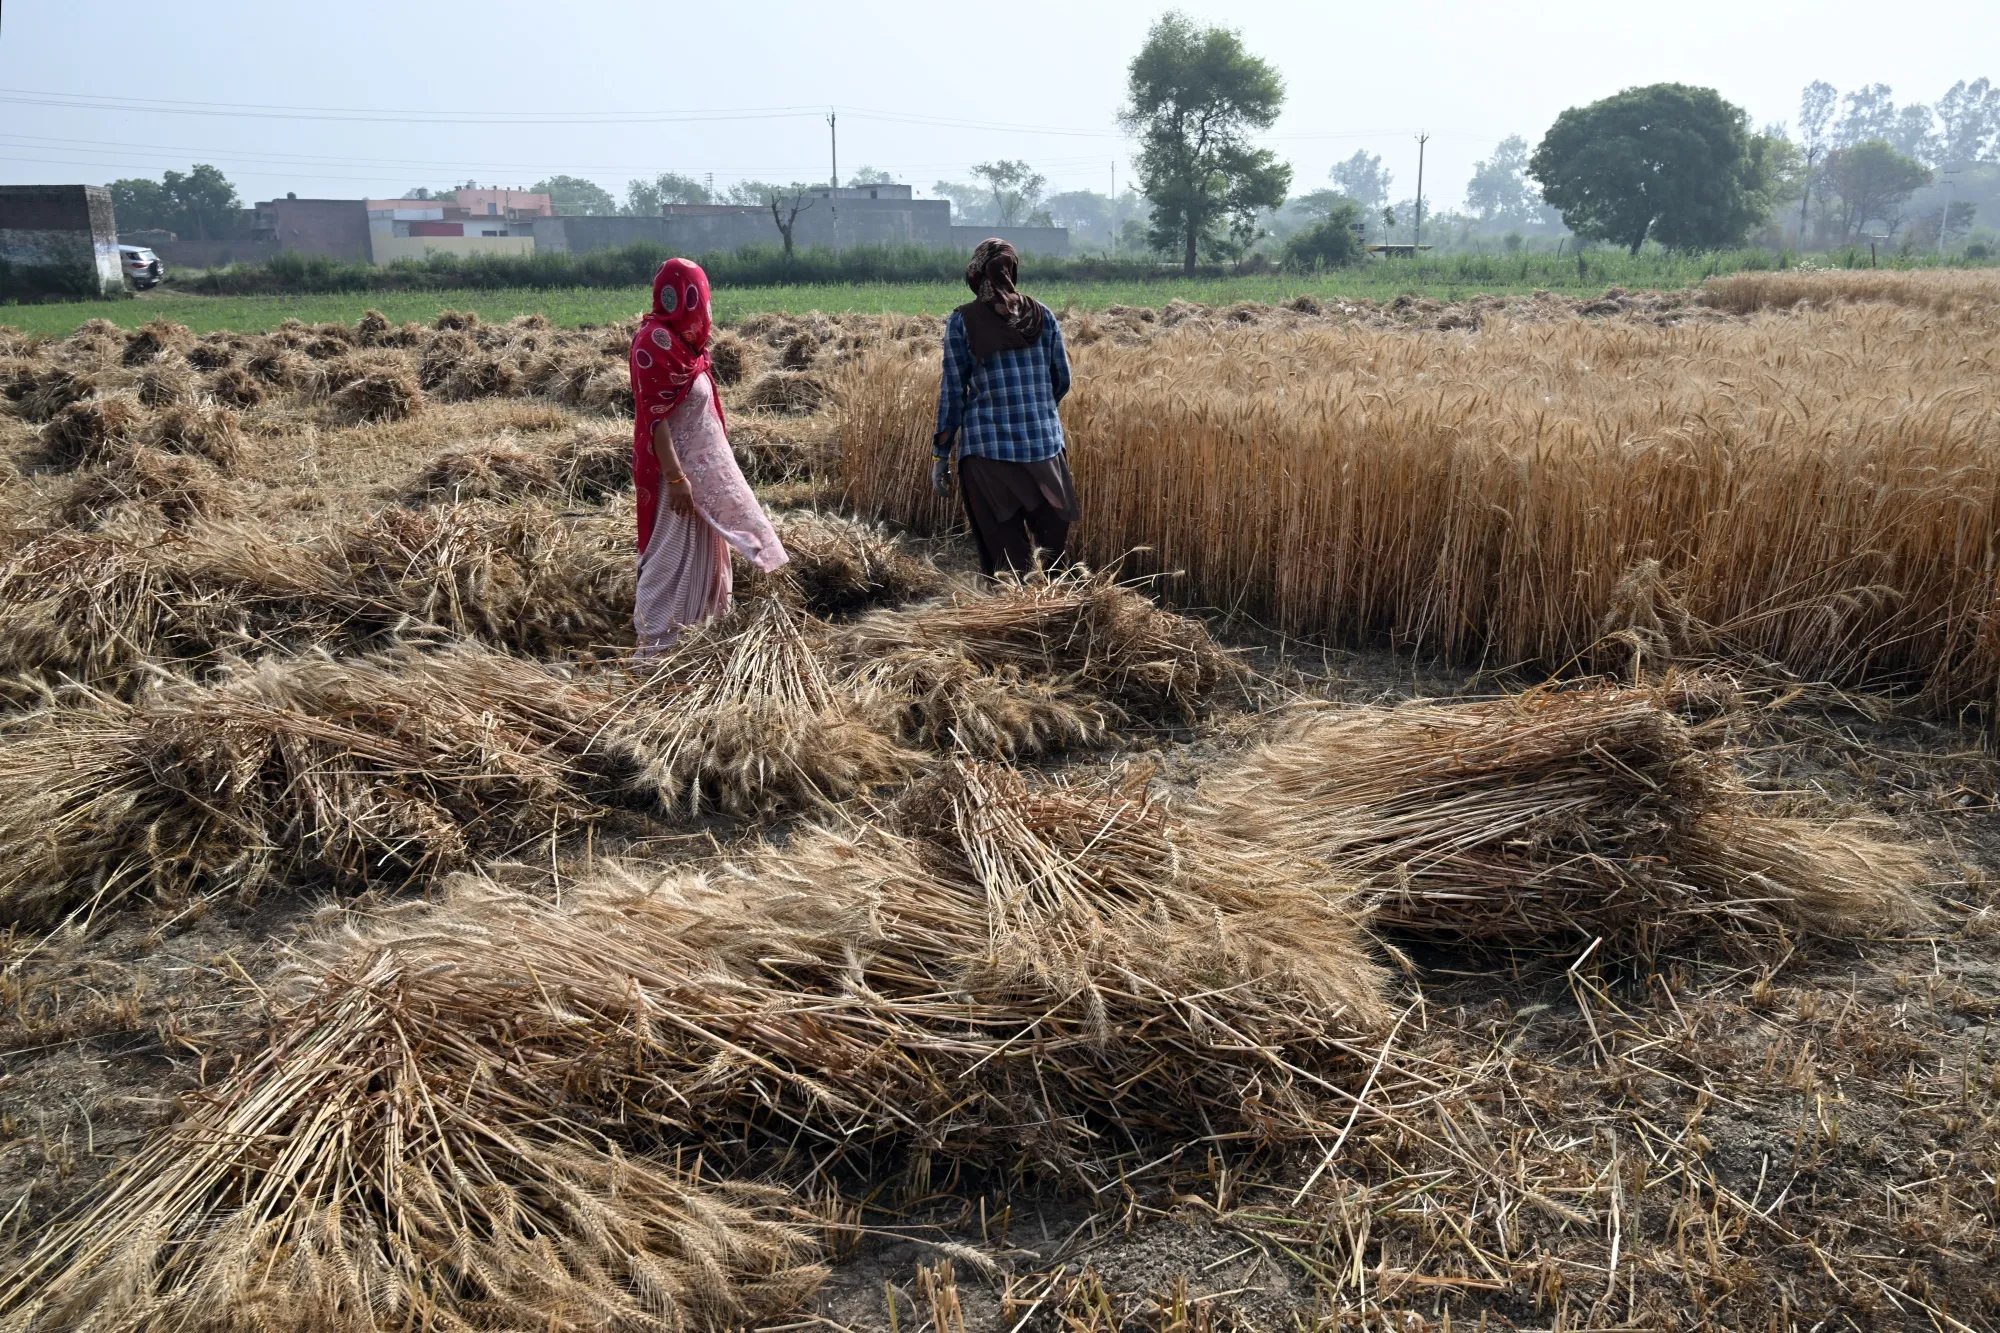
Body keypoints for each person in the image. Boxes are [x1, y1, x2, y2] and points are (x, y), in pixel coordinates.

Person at [629, 258, 788, 652]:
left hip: (702, 478)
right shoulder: (655, 342)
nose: (705, 307)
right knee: (669, 562)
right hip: (675, 480)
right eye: (698, 296)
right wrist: (677, 478)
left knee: (704, 558)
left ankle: (696, 647)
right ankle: (656, 651)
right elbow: (655, 418)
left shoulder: (684, 345)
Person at [932, 238, 1080, 579]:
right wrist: (1037, 410)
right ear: (1012, 270)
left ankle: (1013, 624)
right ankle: (1053, 620)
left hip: (988, 454)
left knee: (1008, 562)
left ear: (977, 273)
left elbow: (953, 393)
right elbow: (1062, 379)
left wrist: (941, 455)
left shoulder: (963, 321)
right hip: (1045, 449)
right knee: (1053, 558)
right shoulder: (1042, 315)